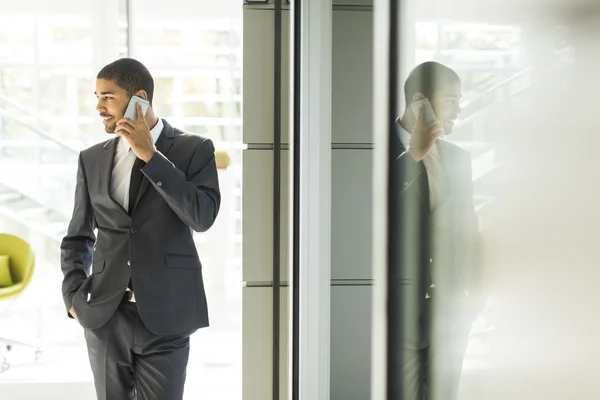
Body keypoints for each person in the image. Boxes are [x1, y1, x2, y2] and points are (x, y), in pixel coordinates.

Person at [60, 58, 221, 400]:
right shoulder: (91, 158)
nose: (99, 107)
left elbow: (202, 217)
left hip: (167, 315)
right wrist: (73, 295)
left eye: (108, 97)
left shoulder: (195, 150)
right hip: (105, 315)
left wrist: (152, 157)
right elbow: (78, 236)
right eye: (97, 96)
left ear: (140, 98)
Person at [392, 61, 484, 399]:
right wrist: (412, 157)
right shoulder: (374, 151)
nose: (459, 110)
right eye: (451, 100)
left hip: (450, 310)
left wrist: (475, 292)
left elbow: (468, 228)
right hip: (399, 311)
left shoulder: (460, 158)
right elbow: (366, 215)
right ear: (420, 100)